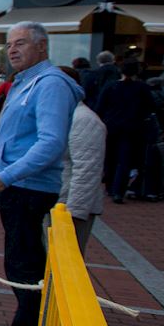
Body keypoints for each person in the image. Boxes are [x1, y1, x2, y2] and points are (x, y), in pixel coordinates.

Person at [0, 22, 82, 326]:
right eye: (9, 44)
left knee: (24, 263)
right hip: (16, 185)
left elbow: (51, 142)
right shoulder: (25, 83)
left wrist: (8, 175)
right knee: (20, 259)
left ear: (42, 46)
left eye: (21, 43)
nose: (12, 50)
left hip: (28, 187)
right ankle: (25, 322)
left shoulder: (50, 84)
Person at [57, 66, 106, 252]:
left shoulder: (84, 119)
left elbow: (87, 171)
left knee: (64, 261)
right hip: (55, 202)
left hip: (67, 207)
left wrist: (73, 213)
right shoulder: (62, 115)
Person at [96, 58, 154, 204]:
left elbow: (100, 107)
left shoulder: (111, 86)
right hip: (133, 128)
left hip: (111, 126)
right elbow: (150, 107)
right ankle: (118, 191)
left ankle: (109, 186)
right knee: (125, 159)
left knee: (110, 157)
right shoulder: (142, 88)